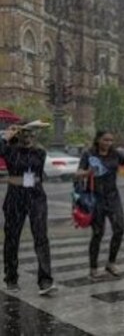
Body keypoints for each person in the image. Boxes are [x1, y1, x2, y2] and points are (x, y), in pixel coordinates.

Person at [76, 130, 124, 279]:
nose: (108, 143)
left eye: (111, 140)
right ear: (98, 140)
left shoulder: (115, 154)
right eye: (105, 140)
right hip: (96, 198)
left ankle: (111, 263)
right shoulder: (89, 154)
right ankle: (93, 268)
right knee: (98, 233)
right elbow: (78, 173)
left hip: (113, 197)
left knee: (119, 228)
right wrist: (87, 172)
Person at [0, 123, 57, 295]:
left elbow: (35, 174)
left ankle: (45, 281)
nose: (29, 137)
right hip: (15, 197)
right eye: (25, 134)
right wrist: (5, 137)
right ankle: (11, 278)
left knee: (41, 237)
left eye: (32, 134)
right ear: (18, 135)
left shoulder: (39, 152)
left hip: (36, 195)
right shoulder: (9, 151)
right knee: (12, 238)